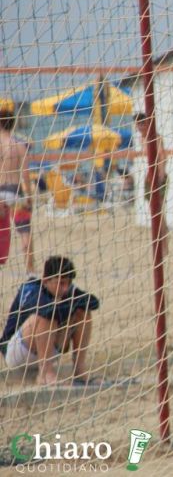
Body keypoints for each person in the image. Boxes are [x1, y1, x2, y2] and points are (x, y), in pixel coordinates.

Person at [0, 256, 100, 386]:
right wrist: (69, 304)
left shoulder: (68, 290)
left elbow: (93, 302)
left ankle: (79, 372)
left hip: (47, 349)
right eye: (61, 283)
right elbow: (45, 310)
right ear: (46, 280)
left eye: (68, 283)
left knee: (83, 312)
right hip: (16, 352)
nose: (65, 288)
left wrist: (73, 299)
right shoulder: (31, 288)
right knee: (47, 316)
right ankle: (45, 374)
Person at [0, 108, 35, 273]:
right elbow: (26, 175)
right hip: (15, 192)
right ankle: (30, 269)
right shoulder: (20, 146)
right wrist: (29, 196)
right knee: (24, 232)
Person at [135, 112, 169, 254]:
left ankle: (164, 245)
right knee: (153, 211)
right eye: (138, 125)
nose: (139, 127)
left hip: (158, 177)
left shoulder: (155, 137)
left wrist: (160, 176)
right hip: (149, 178)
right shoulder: (142, 138)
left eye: (142, 124)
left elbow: (162, 158)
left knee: (158, 212)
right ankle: (160, 244)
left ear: (148, 124)